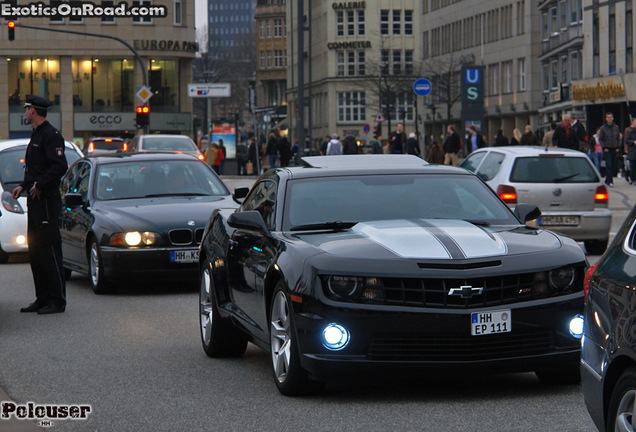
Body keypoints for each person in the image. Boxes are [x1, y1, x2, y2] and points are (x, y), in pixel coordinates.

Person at [12, 95, 68, 314]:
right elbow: (35, 168)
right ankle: (42, 298)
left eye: (26, 109)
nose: (25, 113)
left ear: (33, 111)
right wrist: (23, 185)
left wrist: (41, 185)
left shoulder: (51, 135)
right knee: (35, 251)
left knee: (49, 252)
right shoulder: (36, 134)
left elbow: (59, 166)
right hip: (35, 201)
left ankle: (57, 300)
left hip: (46, 202)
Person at [598, 112, 622, 187]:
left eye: (611, 117)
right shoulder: (603, 128)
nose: (609, 119)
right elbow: (600, 139)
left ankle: (607, 179)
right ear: (606, 118)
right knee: (609, 165)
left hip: (615, 149)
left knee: (613, 165)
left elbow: (618, 138)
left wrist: (618, 147)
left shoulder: (616, 127)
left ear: (613, 118)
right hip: (607, 149)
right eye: (608, 117)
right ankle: (610, 181)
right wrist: (604, 147)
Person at [625, 118, 636, 185]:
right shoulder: (631, 132)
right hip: (632, 152)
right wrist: (633, 142)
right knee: (632, 166)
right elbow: (626, 140)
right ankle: (632, 179)